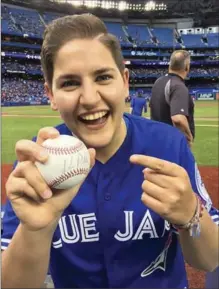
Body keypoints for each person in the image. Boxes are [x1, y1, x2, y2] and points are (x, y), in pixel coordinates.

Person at [2, 14, 219, 289]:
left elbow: (210, 260)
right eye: (69, 83)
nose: (90, 98)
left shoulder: (168, 145)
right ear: (51, 94)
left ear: (124, 81)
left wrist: (191, 214)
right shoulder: (39, 162)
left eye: (103, 77)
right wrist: (35, 231)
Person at [150, 50, 194, 148]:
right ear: (187, 66)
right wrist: (189, 137)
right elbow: (178, 118)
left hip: (156, 141)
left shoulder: (158, 82)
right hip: (171, 144)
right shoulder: (178, 86)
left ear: (170, 65)